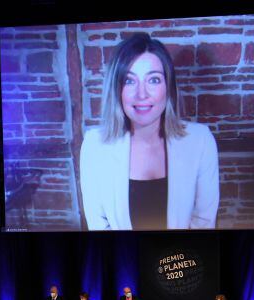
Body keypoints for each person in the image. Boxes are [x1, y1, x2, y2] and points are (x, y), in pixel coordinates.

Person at [80, 32, 219, 231]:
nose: (142, 94)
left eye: (153, 80)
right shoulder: (94, 146)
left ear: (168, 87)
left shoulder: (201, 141)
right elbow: (99, 227)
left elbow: (204, 224)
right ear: (116, 89)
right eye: (129, 81)